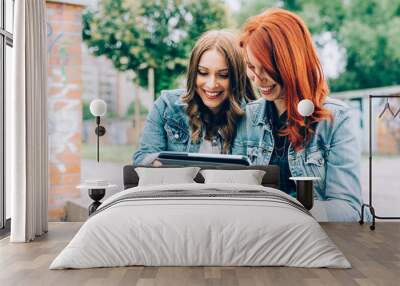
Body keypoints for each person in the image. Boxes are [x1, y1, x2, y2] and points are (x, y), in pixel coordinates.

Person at [238, 8, 367, 221]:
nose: (257, 79)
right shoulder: (245, 118)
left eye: (267, 69)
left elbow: (349, 210)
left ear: (292, 64)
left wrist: (283, 215)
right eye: (251, 66)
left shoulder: (337, 120)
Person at [133, 30, 256, 165]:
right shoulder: (166, 106)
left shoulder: (254, 117)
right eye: (203, 73)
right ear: (193, 73)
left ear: (237, 77)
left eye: (223, 75)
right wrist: (159, 165)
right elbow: (142, 159)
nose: (211, 84)